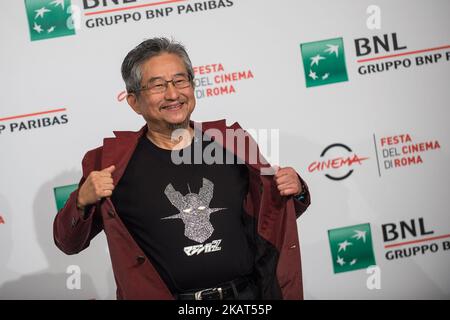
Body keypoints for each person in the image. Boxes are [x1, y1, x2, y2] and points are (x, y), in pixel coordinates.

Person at [53, 37, 311, 300]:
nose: (173, 94)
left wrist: (295, 189)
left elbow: (269, 216)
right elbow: (68, 243)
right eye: (157, 86)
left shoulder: (233, 143)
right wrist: (81, 202)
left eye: (180, 81)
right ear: (134, 101)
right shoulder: (111, 164)